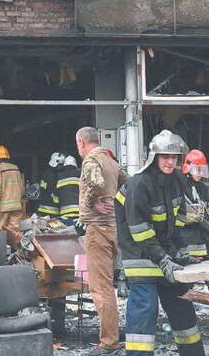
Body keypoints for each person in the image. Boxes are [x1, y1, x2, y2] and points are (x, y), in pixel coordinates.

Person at [116, 130, 204, 356]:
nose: (170, 161)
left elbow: (174, 222)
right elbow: (140, 231)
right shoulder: (139, 184)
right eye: (165, 156)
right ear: (154, 157)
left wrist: (179, 252)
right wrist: (163, 260)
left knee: (182, 305)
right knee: (145, 311)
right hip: (140, 257)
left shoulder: (176, 181)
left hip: (165, 256)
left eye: (174, 157)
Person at [76, 126, 126, 354]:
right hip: (114, 228)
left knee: (100, 288)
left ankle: (108, 342)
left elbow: (95, 185)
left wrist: (91, 203)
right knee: (109, 286)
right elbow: (127, 185)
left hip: (97, 229)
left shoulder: (90, 161)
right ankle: (114, 333)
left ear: (81, 142)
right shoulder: (111, 161)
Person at [177, 149, 209, 327]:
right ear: (188, 168)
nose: (200, 174)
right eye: (197, 170)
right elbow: (176, 212)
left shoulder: (201, 187)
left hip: (203, 239)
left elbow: (206, 204)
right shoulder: (179, 184)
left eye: (202, 170)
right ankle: (183, 317)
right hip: (187, 239)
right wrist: (189, 217)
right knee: (187, 280)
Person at [0, 145, 25, 245]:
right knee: (15, 232)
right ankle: (16, 251)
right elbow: (22, 189)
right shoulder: (16, 169)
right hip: (17, 206)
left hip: (4, 207)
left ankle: (0, 251)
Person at [56, 154, 81, 221]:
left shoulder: (60, 177)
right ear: (75, 165)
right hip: (80, 212)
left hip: (65, 214)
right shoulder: (80, 174)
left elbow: (56, 199)